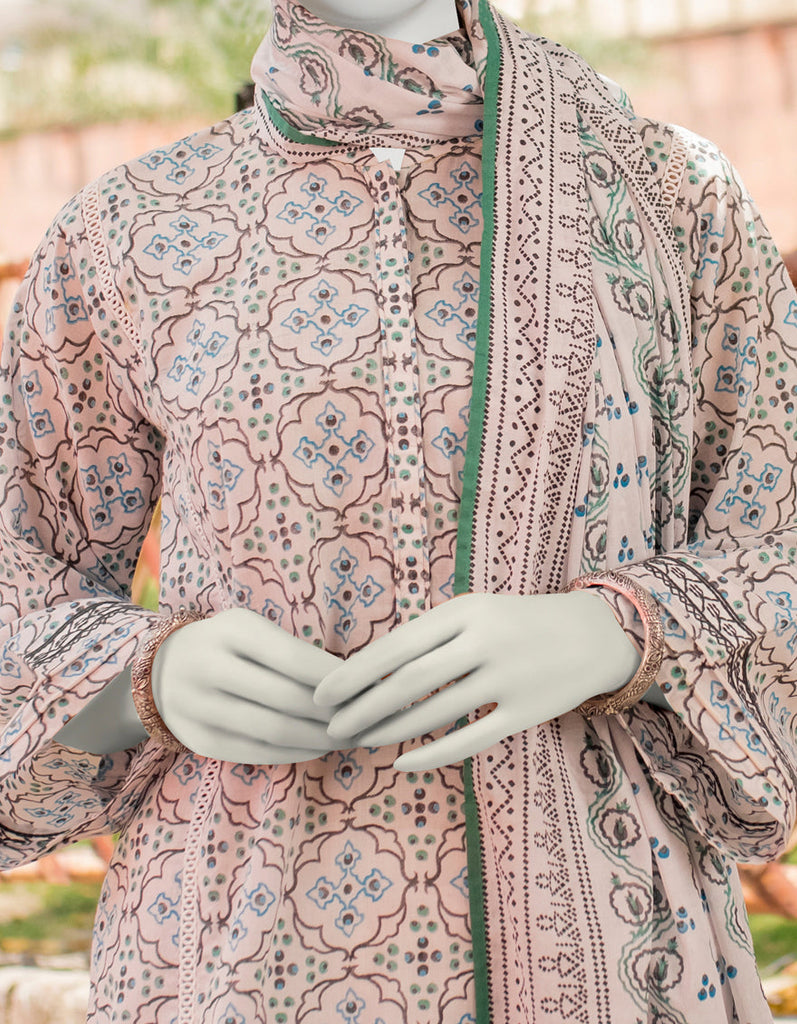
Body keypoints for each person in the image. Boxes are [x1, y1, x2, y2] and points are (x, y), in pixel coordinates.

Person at [0, 0, 794, 1019]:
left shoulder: (668, 196)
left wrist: (619, 630)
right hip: (237, 949)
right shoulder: (131, 230)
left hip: (615, 937)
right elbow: (22, 574)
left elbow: (774, 536)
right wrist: (142, 678)